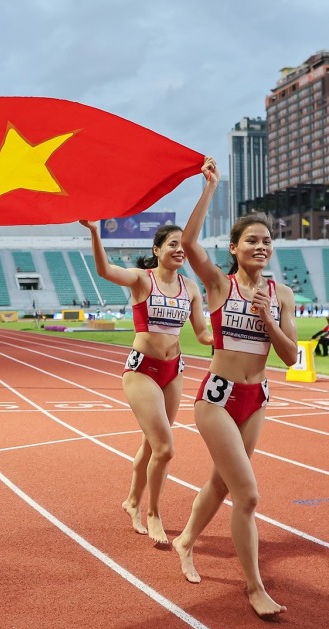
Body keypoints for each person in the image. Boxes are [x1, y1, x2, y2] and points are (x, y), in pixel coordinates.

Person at [172, 159, 297, 618]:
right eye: (252, 240)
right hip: (218, 399)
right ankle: (254, 587)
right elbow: (188, 242)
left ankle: (186, 539)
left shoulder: (281, 295)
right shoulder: (219, 285)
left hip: (256, 398)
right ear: (234, 247)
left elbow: (289, 356)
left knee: (221, 484)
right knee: (248, 495)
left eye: (267, 241)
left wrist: (267, 317)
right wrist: (210, 188)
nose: (261, 246)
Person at [84, 215, 212, 544]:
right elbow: (105, 271)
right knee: (165, 448)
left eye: (184, 245)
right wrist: (96, 233)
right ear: (157, 250)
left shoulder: (191, 287)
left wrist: (234, 335)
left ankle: (131, 501)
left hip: (173, 372)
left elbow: (202, 333)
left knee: (151, 444)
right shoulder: (143, 279)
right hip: (142, 370)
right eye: (173, 244)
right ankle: (153, 512)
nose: (180, 249)